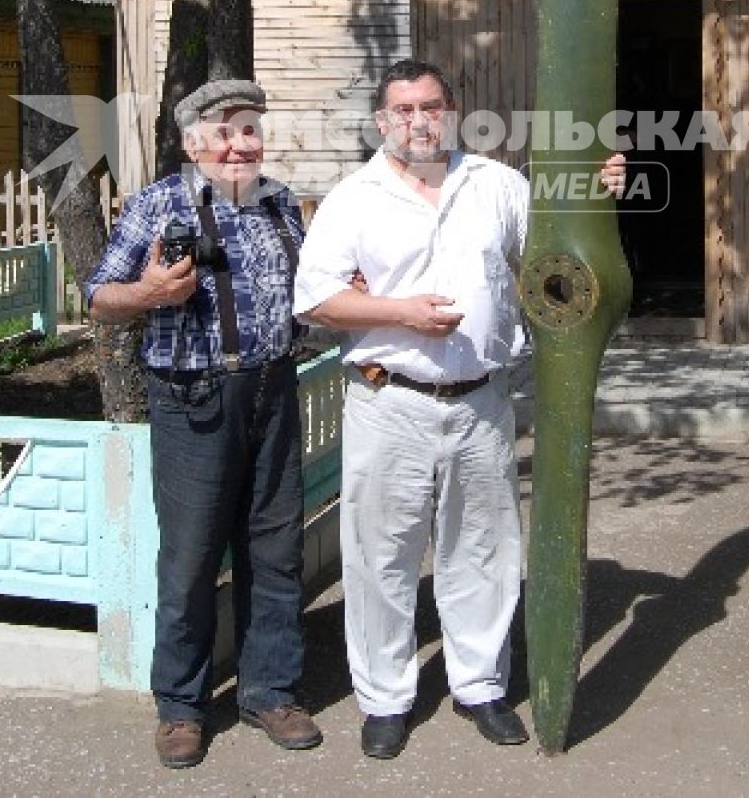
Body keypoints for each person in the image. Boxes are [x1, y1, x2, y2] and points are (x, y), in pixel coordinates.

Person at [292, 58, 624, 760]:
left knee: (483, 549)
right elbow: (316, 298)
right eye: (404, 109)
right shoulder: (355, 198)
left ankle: (480, 684)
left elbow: (554, 252)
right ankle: (385, 698)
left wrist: (598, 193)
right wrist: (399, 312)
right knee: (381, 556)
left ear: (452, 110)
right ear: (383, 121)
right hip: (389, 400)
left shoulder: (496, 185)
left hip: (480, 401)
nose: (420, 119)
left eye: (432, 105)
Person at [86, 78, 322, 770]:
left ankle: (270, 690)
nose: (238, 143)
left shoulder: (281, 202)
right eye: (223, 132)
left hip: (273, 389)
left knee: (275, 547)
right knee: (190, 558)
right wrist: (150, 292)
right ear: (193, 143)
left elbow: (312, 293)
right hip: (193, 398)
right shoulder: (158, 204)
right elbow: (100, 297)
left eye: (248, 129)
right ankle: (182, 705)